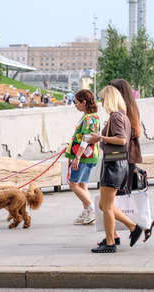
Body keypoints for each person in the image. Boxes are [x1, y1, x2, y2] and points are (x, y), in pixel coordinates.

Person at [88, 86, 142, 253]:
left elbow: (121, 140)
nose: (101, 102)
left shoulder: (116, 116)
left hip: (114, 164)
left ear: (109, 99)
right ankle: (133, 227)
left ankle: (110, 243)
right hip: (116, 164)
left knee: (107, 206)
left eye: (103, 99)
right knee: (104, 205)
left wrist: (100, 138)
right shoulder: (121, 115)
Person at [110, 79, 154, 242]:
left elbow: (136, 132)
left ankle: (118, 235)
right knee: (114, 197)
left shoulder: (126, 110)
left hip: (124, 156)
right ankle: (115, 235)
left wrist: (117, 134)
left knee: (112, 198)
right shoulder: (124, 108)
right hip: (121, 156)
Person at [65, 89, 100, 225]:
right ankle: (87, 212)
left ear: (84, 102)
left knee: (73, 184)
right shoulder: (93, 116)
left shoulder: (88, 118)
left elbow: (86, 138)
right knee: (82, 185)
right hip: (91, 155)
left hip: (84, 156)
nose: (75, 104)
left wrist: (78, 156)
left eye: (76, 102)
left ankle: (91, 209)